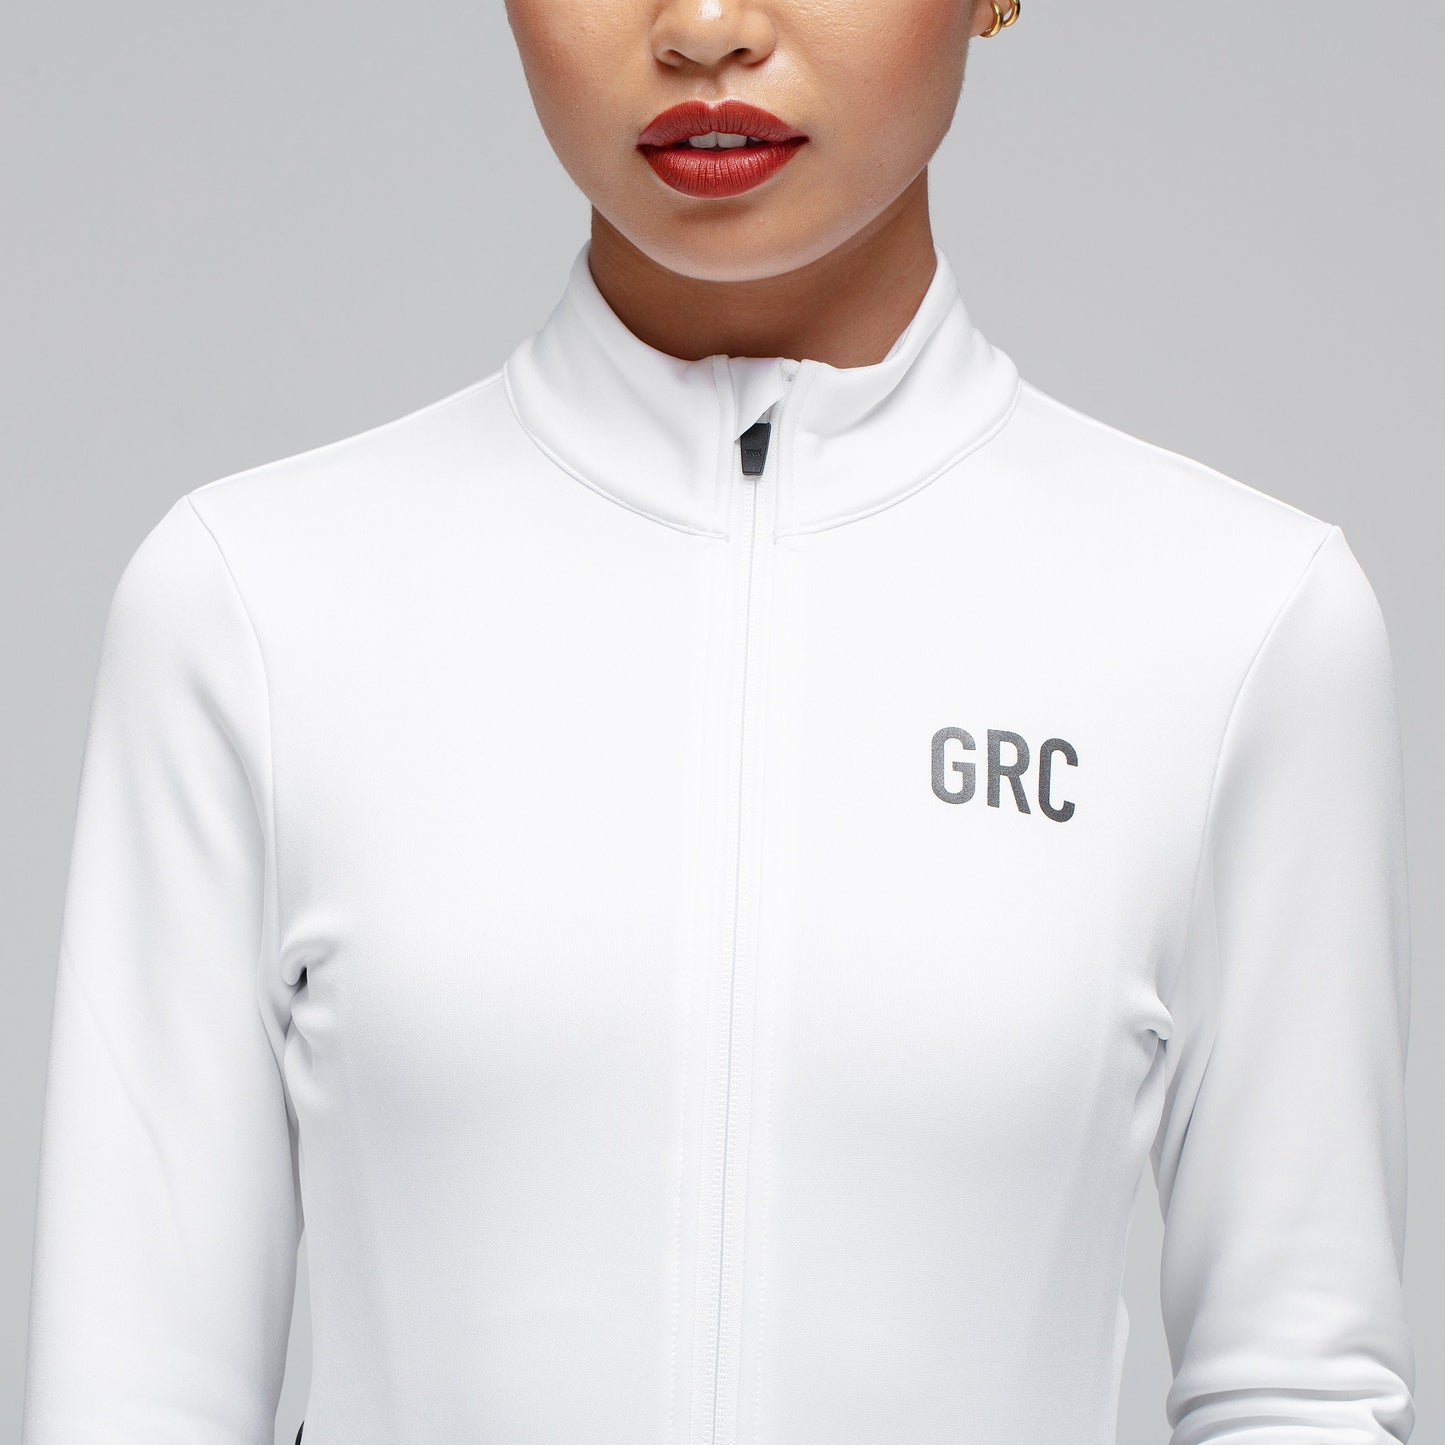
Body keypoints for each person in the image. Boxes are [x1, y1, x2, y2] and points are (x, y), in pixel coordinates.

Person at [20, 0, 1416, 1441]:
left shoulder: (1238, 621)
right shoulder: (253, 606)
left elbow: (1295, 1389)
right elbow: (133, 1402)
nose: (702, 29)